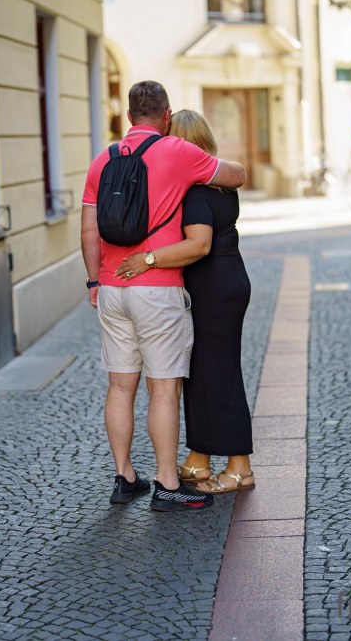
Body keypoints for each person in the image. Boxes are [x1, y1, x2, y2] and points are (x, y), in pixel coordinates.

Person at [81, 81, 247, 511]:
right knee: (164, 389)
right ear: (167, 115)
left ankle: (124, 477)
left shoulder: (102, 160)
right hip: (156, 287)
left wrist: (94, 282)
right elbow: (237, 176)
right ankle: (168, 484)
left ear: (128, 116)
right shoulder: (178, 150)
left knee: (120, 386)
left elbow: (88, 229)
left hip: (112, 286)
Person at [114, 110, 255, 495]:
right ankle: (199, 458)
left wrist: (147, 259)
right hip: (224, 282)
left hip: (213, 288)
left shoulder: (195, 190)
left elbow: (199, 245)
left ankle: (240, 467)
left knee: (220, 375)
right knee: (201, 373)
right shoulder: (219, 184)